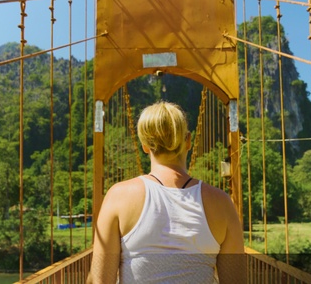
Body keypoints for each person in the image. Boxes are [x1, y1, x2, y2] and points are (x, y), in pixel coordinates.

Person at [88, 101, 246, 283]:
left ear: (145, 146)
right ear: (188, 141)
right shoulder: (221, 203)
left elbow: (100, 281)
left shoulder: (119, 196)